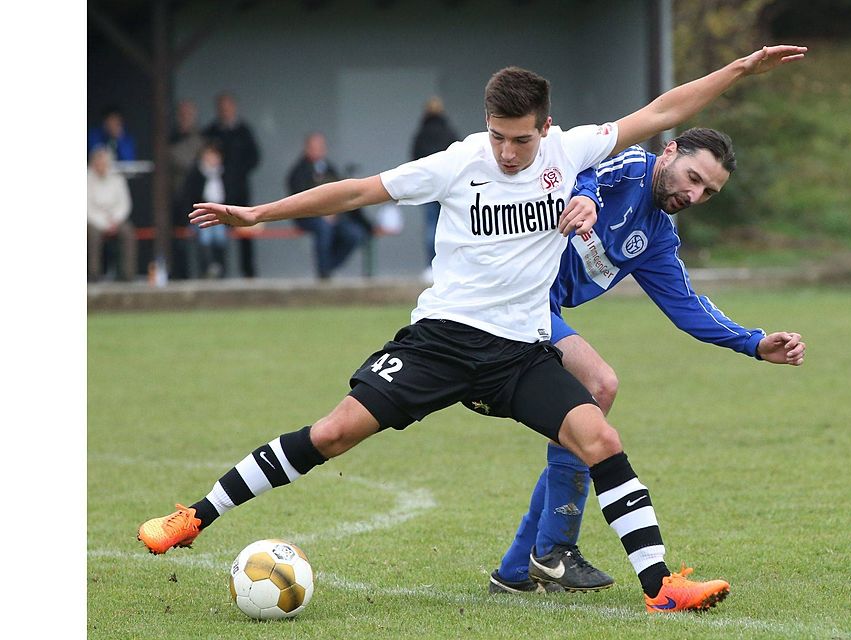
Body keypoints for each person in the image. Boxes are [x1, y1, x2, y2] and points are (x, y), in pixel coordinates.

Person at [140, 45, 806, 614]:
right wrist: (258, 213)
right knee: (333, 433)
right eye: (499, 136)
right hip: (442, 341)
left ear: (546, 128)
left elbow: (666, 112)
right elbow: (354, 192)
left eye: (522, 139)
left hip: (519, 354)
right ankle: (194, 517)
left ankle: (661, 586)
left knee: (599, 434)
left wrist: (741, 69)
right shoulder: (458, 162)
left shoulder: (573, 152)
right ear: (486, 126)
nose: (509, 152)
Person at [488, 128, 807, 596]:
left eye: (707, 192)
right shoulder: (632, 167)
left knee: (584, 420)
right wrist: (588, 198)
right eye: (693, 177)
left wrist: (754, 343)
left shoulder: (657, 235)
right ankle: (553, 550)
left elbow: (686, 305)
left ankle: (520, 569)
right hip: (505, 296)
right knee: (599, 387)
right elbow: (584, 166)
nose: (694, 195)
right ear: (670, 152)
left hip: (537, 310)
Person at [286, 132, 373, 279]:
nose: (319, 150)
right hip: (309, 217)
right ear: (307, 148)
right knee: (324, 229)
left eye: (321, 146)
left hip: (334, 215)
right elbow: (300, 199)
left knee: (355, 234)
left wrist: (336, 213)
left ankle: (330, 265)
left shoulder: (330, 168)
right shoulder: (298, 171)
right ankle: (323, 274)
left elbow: (340, 193)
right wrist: (321, 213)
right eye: (315, 147)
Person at [202, 92, 260, 278]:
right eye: (222, 107)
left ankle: (248, 272)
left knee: (246, 228)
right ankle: (219, 272)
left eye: (228, 107)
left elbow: (255, 157)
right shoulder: (211, 132)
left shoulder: (244, 131)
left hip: (240, 190)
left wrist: (238, 172)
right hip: (220, 191)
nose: (225, 111)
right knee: (218, 231)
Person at [411, 96, 459, 282]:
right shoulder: (449, 132)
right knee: (451, 226)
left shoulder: (420, 134)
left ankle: (430, 267)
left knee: (431, 227)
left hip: (429, 188)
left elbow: (415, 161)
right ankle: (448, 266)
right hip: (449, 188)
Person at [169, 99, 207, 279]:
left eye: (188, 114)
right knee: (179, 238)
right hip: (177, 197)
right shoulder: (170, 137)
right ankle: (180, 275)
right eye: (182, 114)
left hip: (197, 197)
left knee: (205, 235)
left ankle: (205, 274)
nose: (185, 118)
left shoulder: (201, 139)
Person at [87, 146, 137, 282]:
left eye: (104, 162)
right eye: (98, 162)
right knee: (92, 234)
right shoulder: (86, 179)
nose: (101, 165)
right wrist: (104, 223)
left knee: (128, 231)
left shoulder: (117, 179)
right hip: (94, 221)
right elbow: (87, 208)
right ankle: (93, 275)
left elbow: (125, 203)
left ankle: (127, 276)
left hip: (115, 220)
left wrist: (115, 220)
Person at [181, 142, 230, 278]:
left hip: (222, 215)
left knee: (220, 236)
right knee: (205, 236)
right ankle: (207, 269)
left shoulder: (225, 174)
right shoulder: (195, 174)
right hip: (202, 214)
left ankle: (220, 269)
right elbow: (188, 198)